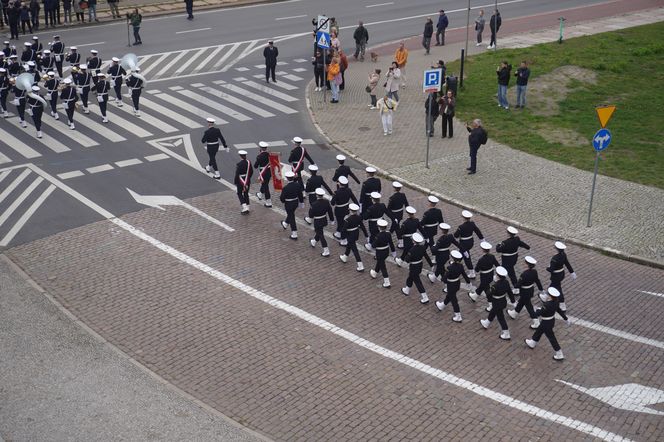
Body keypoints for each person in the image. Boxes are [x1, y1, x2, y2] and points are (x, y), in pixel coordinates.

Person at [525, 287, 568, 361]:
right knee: (539, 330)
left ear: (550, 296)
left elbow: (539, 313)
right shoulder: (556, 302)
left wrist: (534, 312)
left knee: (551, 338)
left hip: (546, 323)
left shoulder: (547, 304)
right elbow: (559, 310)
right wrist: (565, 318)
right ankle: (533, 342)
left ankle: (559, 353)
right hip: (550, 321)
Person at [508, 256, 544, 329]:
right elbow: (537, 280)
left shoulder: (524, 274)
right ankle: (514, 313)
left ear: (527, 264)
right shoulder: (534, 271)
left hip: (525, 292)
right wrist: (541, 289)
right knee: (521, 302)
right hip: (530, 290)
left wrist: (512, 286)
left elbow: (518, 285)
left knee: (529, 307)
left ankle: (536, 321)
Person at [436, 250, 470, 322]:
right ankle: (442, 305)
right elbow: (464, 274)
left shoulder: (450, 268)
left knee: (454, 300)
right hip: (457, 283)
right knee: (450, 296)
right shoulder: (460, 266)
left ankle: (458, 316)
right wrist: (468, 282)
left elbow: (445, 278)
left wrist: (443, 278)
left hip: (451, 285)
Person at [480, 266, 513, 340]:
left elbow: (488, 293)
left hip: (497, 303)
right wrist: (513, 300)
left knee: (500, 317)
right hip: (503, 301)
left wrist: (491, 286)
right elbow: (510, 292)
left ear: (498, 276)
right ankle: (487, 322)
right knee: (493, 312)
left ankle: (506, 333)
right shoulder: (506, 282)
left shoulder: (495, 286)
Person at [401, 232, 433, 305]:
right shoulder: (422, 247)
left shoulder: (412, 250)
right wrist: (431, 265)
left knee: (417, 281)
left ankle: (425, 297)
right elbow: (427, 256)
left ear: (414, 241)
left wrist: (406, 256)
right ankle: (407, 289)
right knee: (410, 277)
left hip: (414, 266)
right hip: (419, 265)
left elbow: (407, 260)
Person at [496, 226, 530, 292]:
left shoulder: (505, 242)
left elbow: (498, 250)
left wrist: (498, 245)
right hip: (514, 258)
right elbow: (522, 244)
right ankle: (497, 276)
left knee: (511, 273)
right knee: (505, 268)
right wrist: (528, 247)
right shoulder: (517, 239)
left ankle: (516, 287)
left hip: (507, 259)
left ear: (508, 233)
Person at [546, 241, 576, 312]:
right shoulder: (564, 255)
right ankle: (545, 296)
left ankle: (562, 304)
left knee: (557, 288)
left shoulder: (554, 258)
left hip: (556, 276)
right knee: (553, 286)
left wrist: (547, 268)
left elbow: (551, 270)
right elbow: (567, 264)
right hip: (561, 274)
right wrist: (572, 272)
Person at [467, 241, 499, 307]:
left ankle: (491, 304)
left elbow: (476, 270)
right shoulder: (492, 256)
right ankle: (474, 296)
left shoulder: (481, 260)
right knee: (483, 287)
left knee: (486, 289)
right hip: (490, 275)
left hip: (484, 276)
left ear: (483, 250)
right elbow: (497, 265)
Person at [454, 210, 484, 278]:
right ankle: (456, 262)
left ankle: (472, 272)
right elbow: (477, 231)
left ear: (464, 218)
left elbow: (456, 235)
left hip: (464, 244)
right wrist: (482, 239)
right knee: (461, 253)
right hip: (471, 242)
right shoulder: (472, 224)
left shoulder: (461, 227)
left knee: (467, 257)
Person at [339, 203, 367, 272]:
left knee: (355, 250)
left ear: (350, 210)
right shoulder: (358, 217)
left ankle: (360, 265)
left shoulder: (347, 219)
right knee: (349, 245)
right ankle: (345, 256)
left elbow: (343, 229)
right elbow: (362, 226)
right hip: (355, 233)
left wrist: (342, 238)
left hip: (350, 235)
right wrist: (366, 235)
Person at [331, 175, 358, 242]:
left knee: (340, 222)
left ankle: (340, 234)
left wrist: (334, 197)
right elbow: (354, 198)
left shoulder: (337, 193)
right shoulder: (349, 190)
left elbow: (332, 203)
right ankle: (339, 232)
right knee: (343, 221)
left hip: (339, 210)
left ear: (339, 183)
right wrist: (358, 206)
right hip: (346, 208)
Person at [370, 219, 395, 289]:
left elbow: (373, 245)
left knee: (383, 266)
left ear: (379, 227)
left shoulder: (378, 236)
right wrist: (393, 252)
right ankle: (375, 272)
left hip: (380, 252)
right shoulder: (388, 234)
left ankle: (387, 282)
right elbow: (391, 243)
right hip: (386, 251)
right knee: (380, 262)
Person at [308, 188, 333, 256]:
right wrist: (332, 219)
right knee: (320, 232)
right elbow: (330, 211)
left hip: (317, 221)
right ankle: (314, 241)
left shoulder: (314, 204)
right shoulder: (326, 202)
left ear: (317, 195)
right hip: (324, 219)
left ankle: (326, 250)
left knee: (321, 235)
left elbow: (311, 215)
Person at [280, 171, 303, 240]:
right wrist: (301, 202)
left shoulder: (285, 188)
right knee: (291, 214)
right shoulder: (297, 185)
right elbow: (300, 195)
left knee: (292, 217)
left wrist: (284, 201)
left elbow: (282, 198)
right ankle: (285, 223)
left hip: (288, 204)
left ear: (287, 178)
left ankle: (294, 233)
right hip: (295, 202)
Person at [386, 181, 408, 246]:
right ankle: (401, 242)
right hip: (400, 214)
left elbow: (388, 209)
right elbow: (406, 205)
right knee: (396, 227)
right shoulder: (403, 195)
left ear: (394, 188)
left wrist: (391, 217)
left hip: (394, 215)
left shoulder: (392, 198)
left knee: (394, 227)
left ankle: (387, 238)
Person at [254, 141, 273, 208]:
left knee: (265, 186)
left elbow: (255, 166)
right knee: (265, 184)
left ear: (260, 148)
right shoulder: (269, 154)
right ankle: (260, 194)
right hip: (269, 171)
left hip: (263, 172)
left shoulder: (260, 156)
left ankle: (268, 201)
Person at [234, 150, 253, 214]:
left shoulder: (239, 164)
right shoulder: (249, 162)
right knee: (246, 193)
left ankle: (244, 207)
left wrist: (235, 181)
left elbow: (237, 174)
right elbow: (251, 172)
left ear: (240, 156)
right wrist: (248, 178)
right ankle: (248, 206)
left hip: (240, 180)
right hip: (247, 180)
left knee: (239, 193)